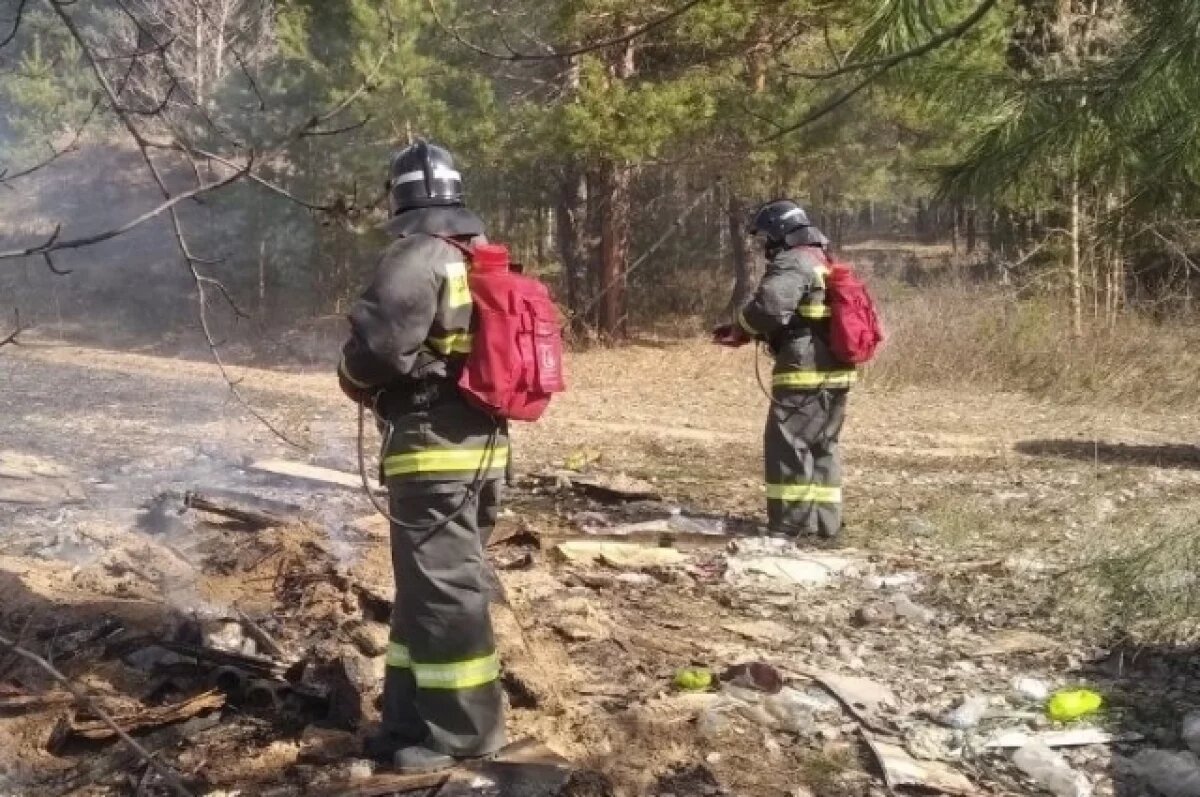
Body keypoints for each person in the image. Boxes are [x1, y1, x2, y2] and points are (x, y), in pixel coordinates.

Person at [337, 140, 507, 773]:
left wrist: (348, 373)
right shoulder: (478, 255)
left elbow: (378, 350)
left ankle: (462, 735)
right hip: (479, 448)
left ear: (401, 199)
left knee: (445, 594)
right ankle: (408, 719)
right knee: (423, 591)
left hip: (434, 450)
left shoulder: (419, 254)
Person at [716, 199, 855, 542]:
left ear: (780, 231)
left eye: (766, 236)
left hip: (804, 368)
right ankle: (824, 527)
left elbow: (771, 306)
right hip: (834, 369)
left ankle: (789, 527)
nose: (766, 245)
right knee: (822, 445)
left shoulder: (794, 260)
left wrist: (740, 329)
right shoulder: (821, 258)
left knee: (788, 444)